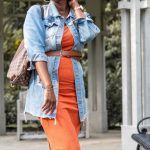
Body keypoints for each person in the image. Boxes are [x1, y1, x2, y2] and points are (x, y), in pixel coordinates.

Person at [23, 0, 100, 149]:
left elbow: (88, 34)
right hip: (51, 94)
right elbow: (36, 52)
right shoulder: (38, 13)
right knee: (68, 147)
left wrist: (75, 6)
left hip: (75, 94)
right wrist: (48, 88)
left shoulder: (75, 15)